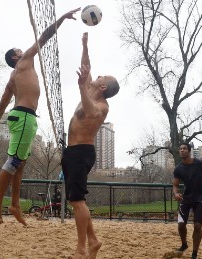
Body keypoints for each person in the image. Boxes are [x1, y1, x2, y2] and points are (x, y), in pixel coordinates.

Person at [0, 8, 82, 226]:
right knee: (15, 160)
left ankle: (15, 204)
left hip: (22, 116)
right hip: (25, 117)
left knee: (21, 163)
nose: (23, 49)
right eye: (19, 49)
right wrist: (62, 19)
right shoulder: (24, 60)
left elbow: (0, 107)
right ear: (16, 56)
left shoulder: (13, 76)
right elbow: (44, 36)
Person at [61, 32, 120, 259]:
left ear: (103, 87)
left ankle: (81, 248)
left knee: (77, 201)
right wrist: (84, 45)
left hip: (81, 153)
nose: (99, 74)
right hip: (71, 151)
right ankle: (93, 241)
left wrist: (79, 87)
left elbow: (90, 112)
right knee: (76, 200)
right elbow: (86, 66)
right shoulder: (89, 89)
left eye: (103, 76)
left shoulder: (102, 105)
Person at [172, 142, 202, 259]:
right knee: (181, 225)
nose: (182, 150)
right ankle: (184, 244)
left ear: (189, 151)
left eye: (184, 148)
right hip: (186, 199)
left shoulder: (199, 163)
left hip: (200, 199)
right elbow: (175, 185)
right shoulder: (178, 168)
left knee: (197, 226)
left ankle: (194, 253)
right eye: (180, 149)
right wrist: (176, 193)